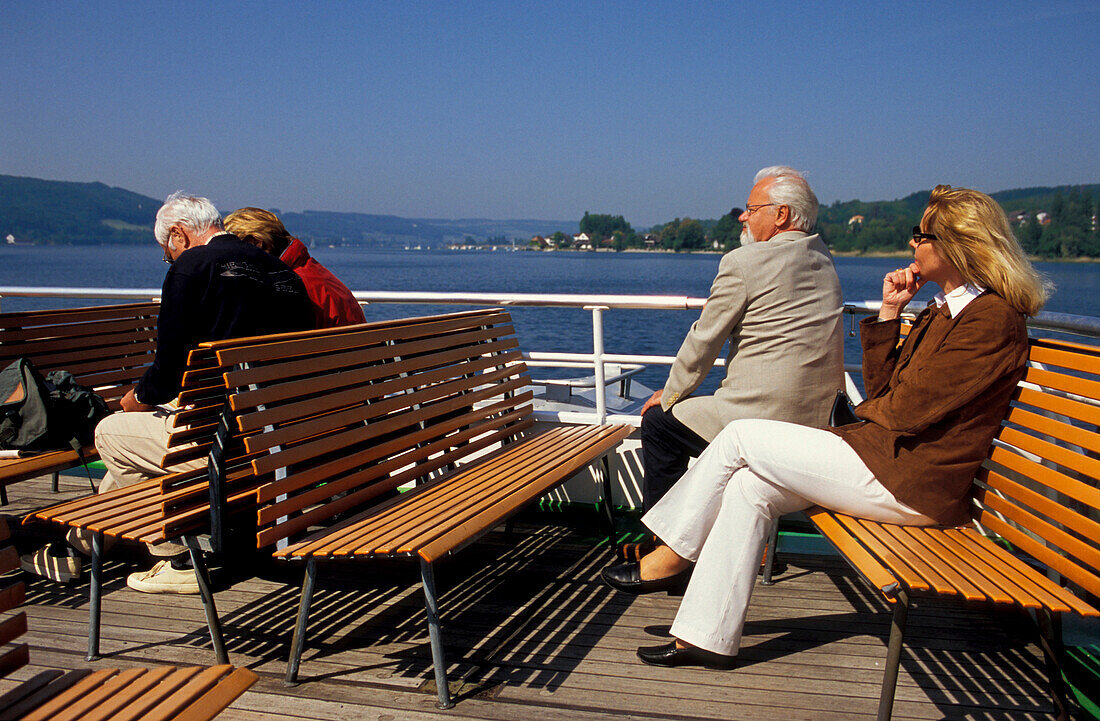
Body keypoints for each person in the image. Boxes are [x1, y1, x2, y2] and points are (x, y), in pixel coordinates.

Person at [602, 184, 1049, 668]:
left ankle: (668, 557)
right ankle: (704, 636)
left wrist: (866, 418)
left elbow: (904, 412)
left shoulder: (990, 321)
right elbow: (883, 396)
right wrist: (891, 313)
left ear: (957, 244)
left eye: (922, 235)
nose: (912, 244)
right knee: (749, 488)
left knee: (739, 436)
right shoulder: (948, 310)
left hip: (911, 483)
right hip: (886, 461)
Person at [22, 192, 314, 592]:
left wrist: (135, 401)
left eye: (166, 251)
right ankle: (79, 545)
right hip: (276, 439)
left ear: (178, 234)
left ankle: (176, 557)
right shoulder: (283, 274)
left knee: (112, 432)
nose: (169, 259)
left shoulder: (193, 267)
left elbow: (169, 369)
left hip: (223, 447)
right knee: (139, 443)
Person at [623, 166, 844, 559]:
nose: (743, 217)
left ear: (781, 215)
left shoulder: (745, 262)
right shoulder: (823, 257)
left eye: (750, 208)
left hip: (760, 420)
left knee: (658, 424)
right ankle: (692, 539)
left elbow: (704, 341)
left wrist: (672, 393)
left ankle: (664, 549)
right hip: (815, 425)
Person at [224, 207, 366, 328]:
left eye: (232, 250)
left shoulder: (289, 287)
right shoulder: (314, 273)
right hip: (347, 357)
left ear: (255, 243)